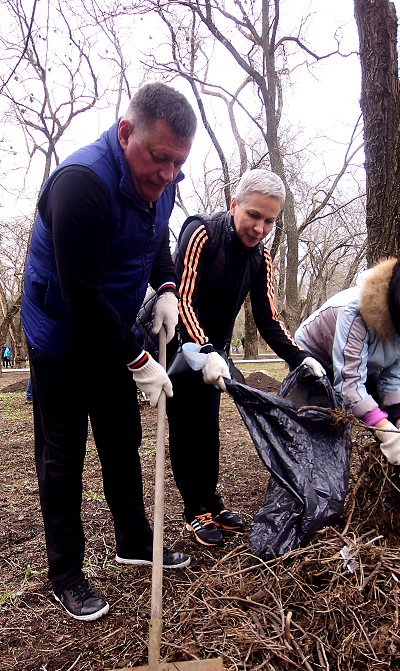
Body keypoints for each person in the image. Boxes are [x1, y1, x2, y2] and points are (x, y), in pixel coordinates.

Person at [21, 82, 196, 621]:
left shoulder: (161, 182)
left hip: (112, 330)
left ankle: (134, 541)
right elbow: (80, 296)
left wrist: (166, 287)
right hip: (62, 336)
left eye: (178, 164)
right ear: (126, 134)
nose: (167, 175)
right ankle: (67, 573)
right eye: (160, 159)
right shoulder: (81, 186)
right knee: (64, 457)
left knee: (123, 440)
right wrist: (140, 360)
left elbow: (157, 239)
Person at [167, 169, 322, 546]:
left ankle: (212, 502)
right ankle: (195, 510)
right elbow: (183, 298)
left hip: (213, 351)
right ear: (234, 205)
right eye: (253, 215)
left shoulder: (260, 258)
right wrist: (203, 349)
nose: (259, 227)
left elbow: (268, 317)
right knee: (187, 426)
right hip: (177, 343)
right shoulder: (201, 232)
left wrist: (300, 358)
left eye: (269, 220)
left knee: (209, 427)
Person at [295, 251, 400, 466]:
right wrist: (385, 432)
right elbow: (349, 386)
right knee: (321, 423)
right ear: (396, 292)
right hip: (315, 354)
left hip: (362, 361)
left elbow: (395, 379)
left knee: (379, 414)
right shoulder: (355, 312)